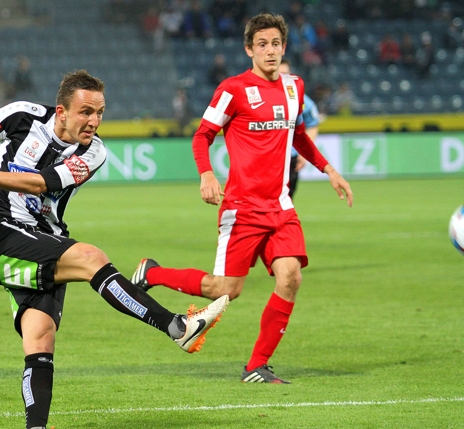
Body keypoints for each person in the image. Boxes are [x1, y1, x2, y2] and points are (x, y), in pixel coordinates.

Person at [0, 70, 229, 429]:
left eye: (100, 113)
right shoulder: (21, 114)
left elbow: (42, 183)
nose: (93, 121)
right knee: (92, 258)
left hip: (44, 239)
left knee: (41, 336)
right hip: (3, 233)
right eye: (85, 112)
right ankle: (177, 326)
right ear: (61, 111)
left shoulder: (93, 153)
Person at [130, 13, 352, 384]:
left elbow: (298, 136)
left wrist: (329, 169)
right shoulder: (232, 89)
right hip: (242, 209)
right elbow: (202, 135)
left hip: (281, 206)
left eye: (276, 44)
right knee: (226, 290)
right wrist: (206, 174)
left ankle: (257, 366)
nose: (270, 51)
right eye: (262, 44)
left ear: (284, 47)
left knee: (291, 276)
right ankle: (151, 273)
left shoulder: (295, 86)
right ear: (249, 49)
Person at [278, 59, 320, 198]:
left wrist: (304, 153)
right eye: (279, 74)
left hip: (291, 160)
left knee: (287, 202)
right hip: (265, 159)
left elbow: (313, 124)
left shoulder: (299, 99)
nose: (282, 78)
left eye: (285, 74)